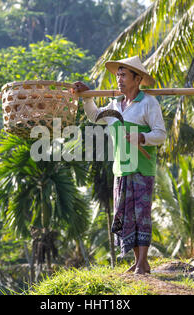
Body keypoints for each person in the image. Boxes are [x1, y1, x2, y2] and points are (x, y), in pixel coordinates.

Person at [72, 56, 166, 275]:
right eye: (118, 75)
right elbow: (95, 116)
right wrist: (87, 96)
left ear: (138, 78)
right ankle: (138, 261)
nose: (119, 80)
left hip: (142, 167)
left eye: (124, 75)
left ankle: (143, 262)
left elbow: (160, 134)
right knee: (125, 214)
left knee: (141, 214)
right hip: (121, 168)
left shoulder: (148, 103)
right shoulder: (114, 105)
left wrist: (140, 138)